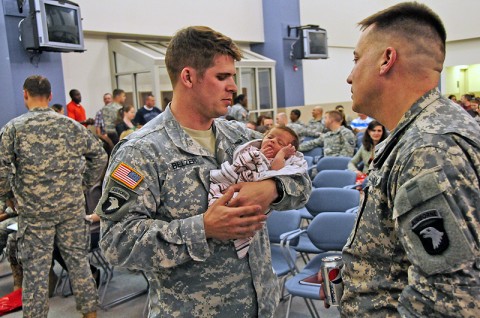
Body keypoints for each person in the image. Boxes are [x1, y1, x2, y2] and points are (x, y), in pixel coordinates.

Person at [95, 26, 311, 317]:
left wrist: (272, 188)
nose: (233, 86)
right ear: (188, 77)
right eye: (222, 77)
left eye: (233, 77)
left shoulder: (238, 136)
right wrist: (203, 228)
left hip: (259, 305)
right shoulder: (143, 151)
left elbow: (302, 180)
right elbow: (115, 242)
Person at [319, 3, 480, 317]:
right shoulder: (421, 133)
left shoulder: (429, 147)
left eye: (355, 60)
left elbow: (450, 302)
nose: (350, 76)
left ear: (386, 59)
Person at [0, 75, 108, 318]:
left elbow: (1, 168)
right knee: (79, 266)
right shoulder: (70, 125)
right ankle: (90, 315)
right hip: (70, 209)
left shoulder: (13, 129)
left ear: (25, 94)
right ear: (50, 97)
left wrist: (8, 197)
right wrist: (82, 185)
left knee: (36, 273)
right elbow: (100, 156)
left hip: (34, 214)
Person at [208, 126, 306, 258]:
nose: (272, 141)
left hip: (253, 192)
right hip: (235, 182)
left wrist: (280, 154)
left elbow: (277, 171)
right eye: (270, 137)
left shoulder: (281, 159)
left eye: (280, 143)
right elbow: (241, 162)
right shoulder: (253, 149)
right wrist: (258, 155)